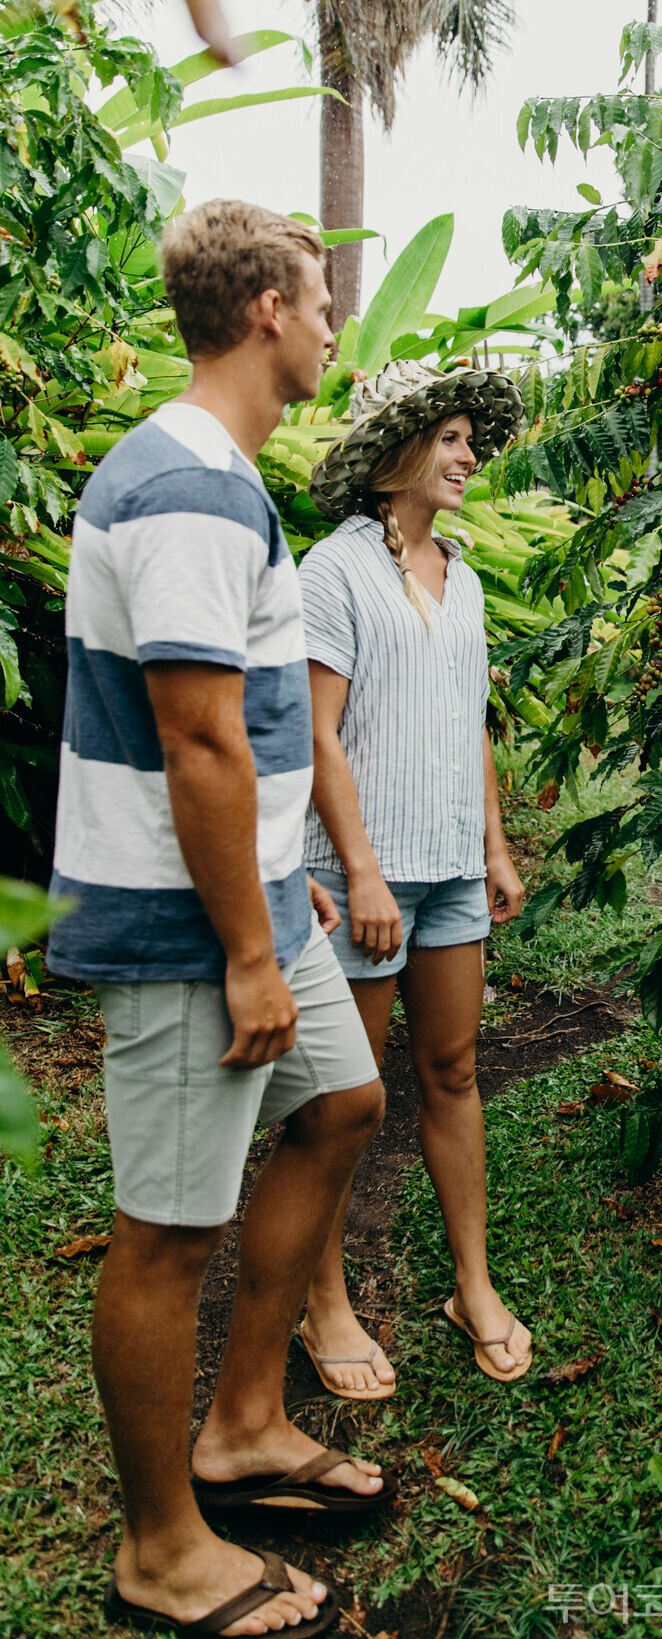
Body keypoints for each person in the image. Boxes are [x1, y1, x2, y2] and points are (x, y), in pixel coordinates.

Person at [48, 200, 395, 1639]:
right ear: (265, 312)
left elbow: (228, 736)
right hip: (187, 931)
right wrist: (246, 946)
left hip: (245, 901)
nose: (329, 327)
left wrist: (273, 878)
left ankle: (244, 1423)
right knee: (166, 1233)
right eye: (318, 303)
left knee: (343, 1102)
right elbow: (193, 738)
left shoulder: (218, 475)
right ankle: (159, 1552)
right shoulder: (188, 483)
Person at [292, 359, 531, 1397]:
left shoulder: (461, 577)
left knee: (452, 1071)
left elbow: (470, 721)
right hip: (363, 878)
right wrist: (362, 873)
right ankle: (323, 1302)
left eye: (472, 438)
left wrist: (493, 846)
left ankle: (471, 1284)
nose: (470, 455)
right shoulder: (333, 572)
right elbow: (318, 734)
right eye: (450, 437)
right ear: (396, 451)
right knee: (341, 1100)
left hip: (449, 872)